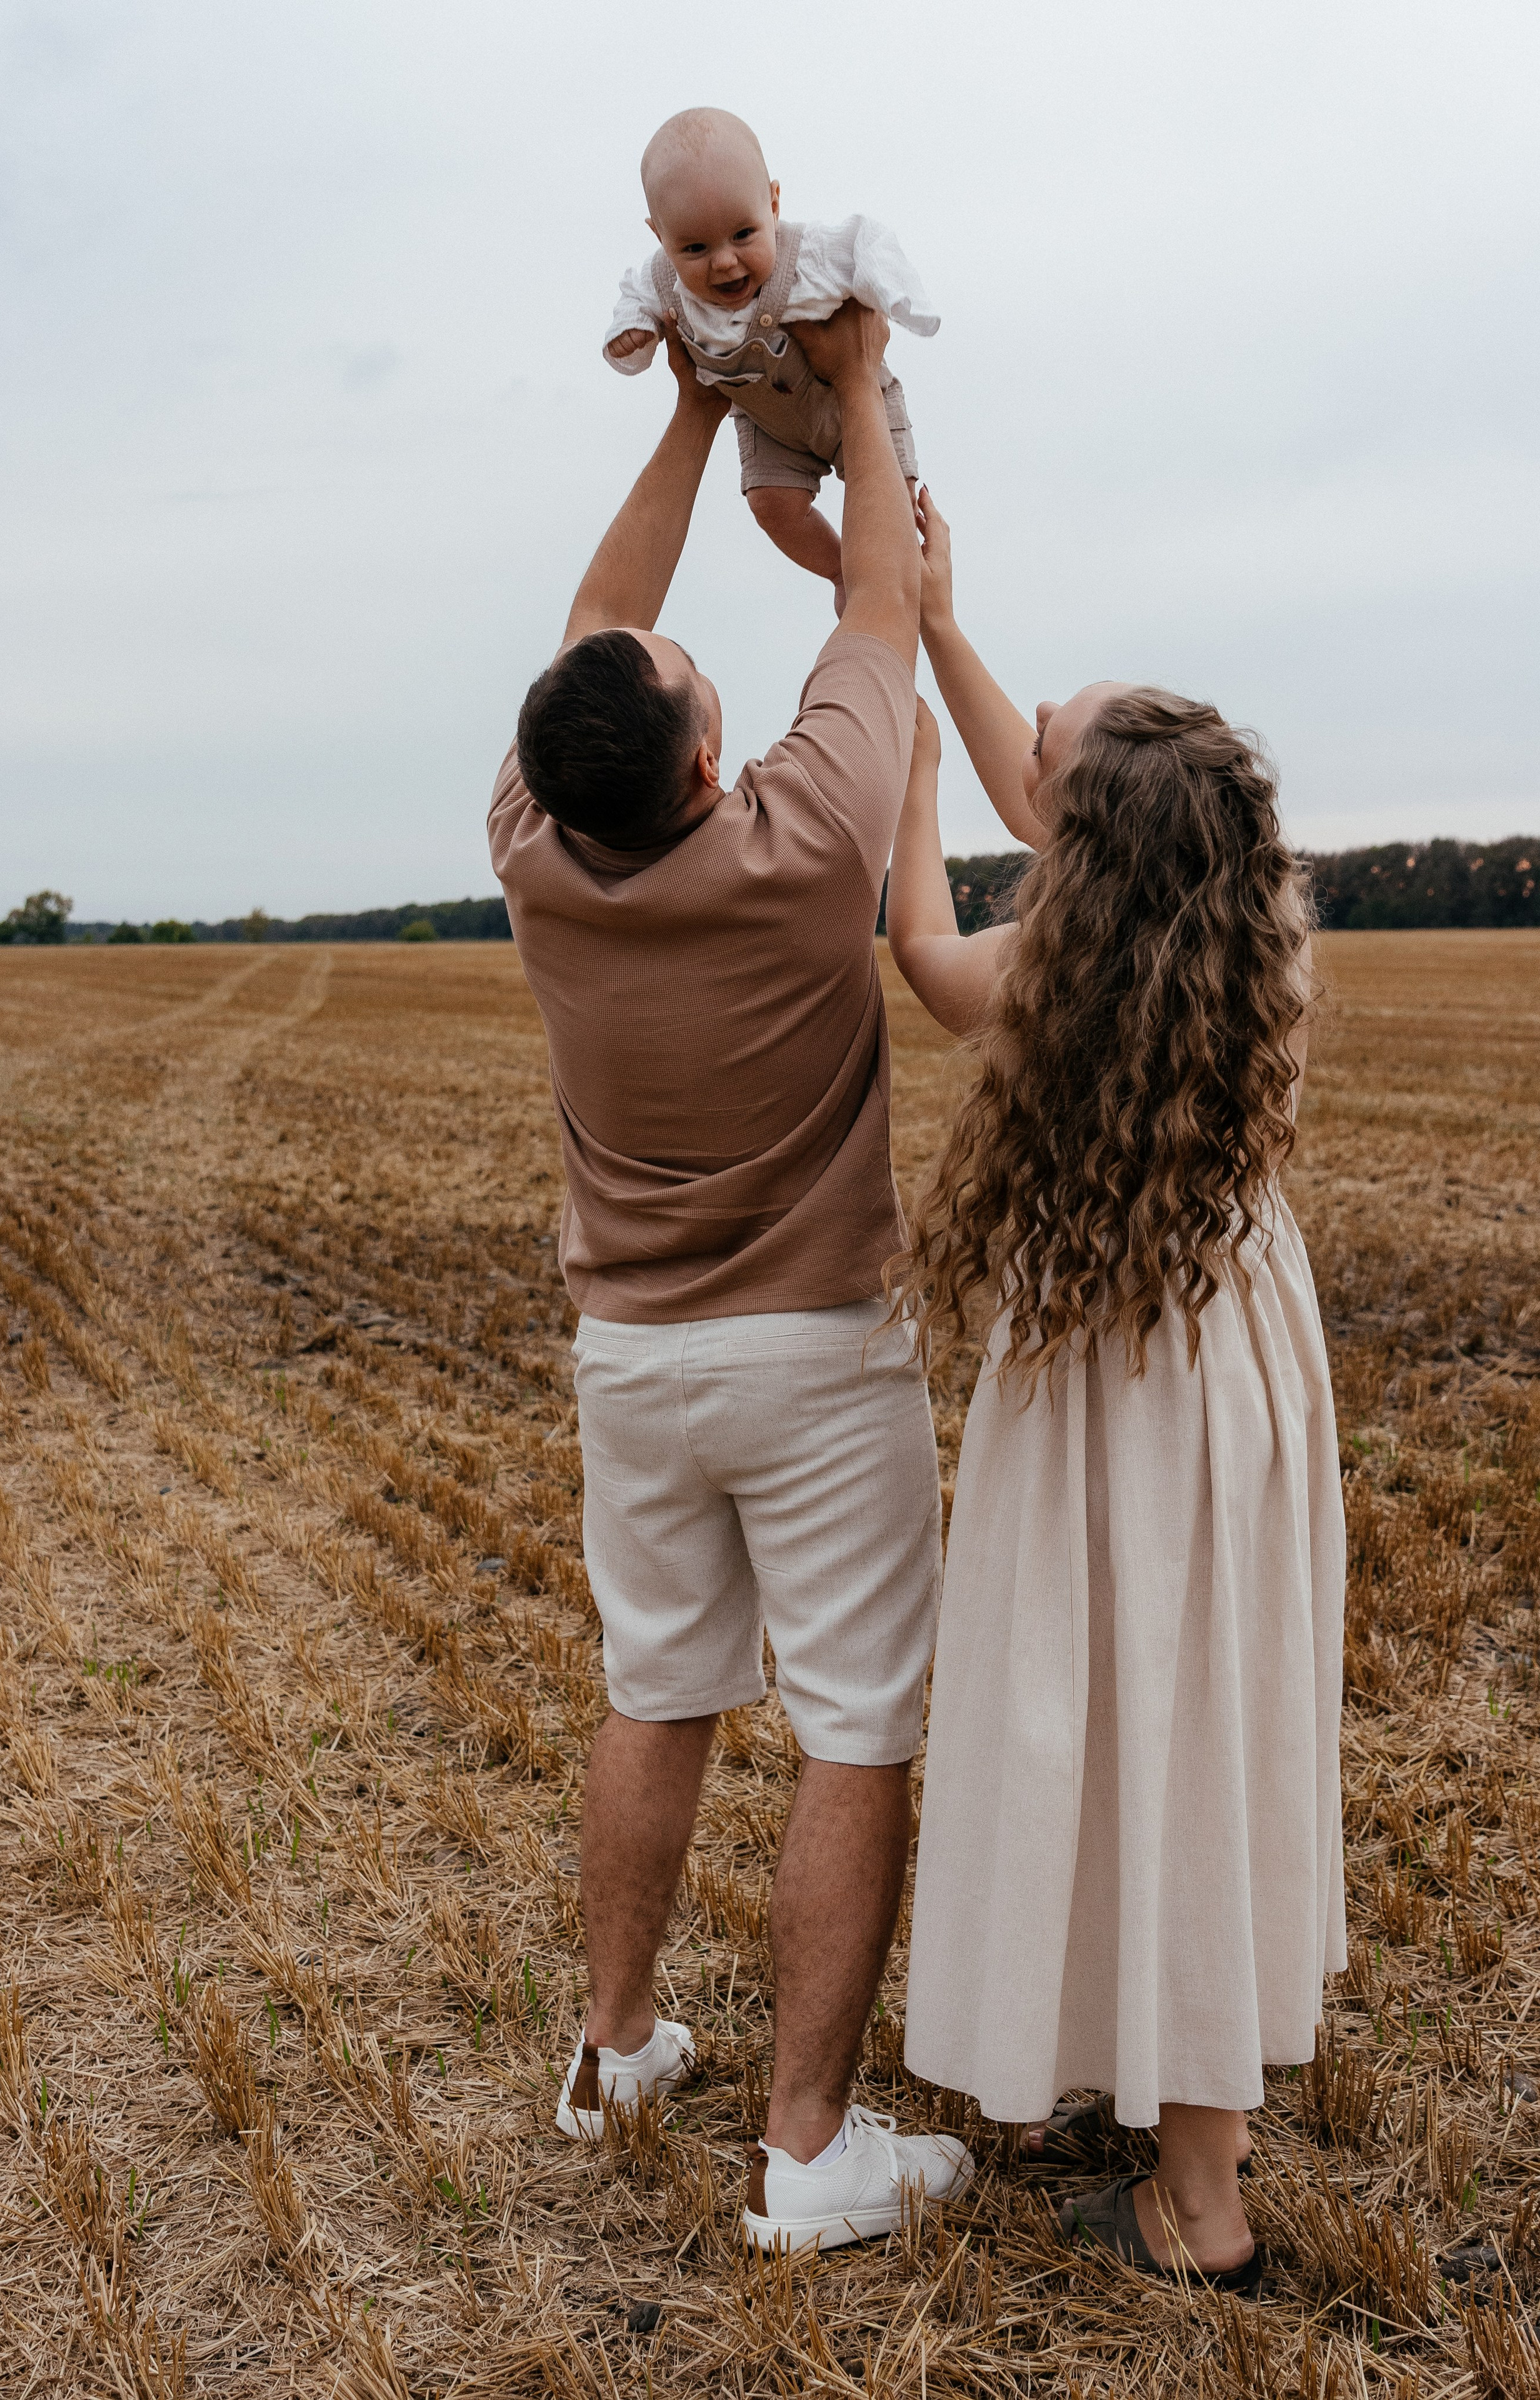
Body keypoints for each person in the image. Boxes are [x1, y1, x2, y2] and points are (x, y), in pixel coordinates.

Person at [488, 306, 972, 2254]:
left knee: (654, 1691)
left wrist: (694, 407)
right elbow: (873, 595)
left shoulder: (533, 849)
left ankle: (612, 2053)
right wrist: (849, 388)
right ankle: (805, 2144)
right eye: (700, 679)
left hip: (632, 1360)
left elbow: (589, 639)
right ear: (709, 751)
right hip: (819, 1353)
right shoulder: (807, 835)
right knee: (852, 1724)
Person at [883, 494, 1346, 2298]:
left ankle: (1202, 2207)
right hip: (1231, 1354)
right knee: (1196, 1712)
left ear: (1086, 856)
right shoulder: (1240, 926)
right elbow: (1063, 791)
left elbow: (935, 970)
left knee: (1122, 1723)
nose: (1025, 779)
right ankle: (1158, 2078)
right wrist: (938, 620)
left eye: (1046, 763)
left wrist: (907, 787)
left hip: (1117, 1381)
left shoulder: (1054, 977)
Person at [604, 107, 936, 612]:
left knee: (891, 503)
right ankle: (841, 569)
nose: (724, 260)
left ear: (774, 204)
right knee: (771, 506)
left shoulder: (809, 256)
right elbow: (636, 299)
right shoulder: (661, 281)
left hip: (853, 407)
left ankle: (891, 581)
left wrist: (899, 298)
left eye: (743, 235)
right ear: (660, 237)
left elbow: (865, 244)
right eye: (694, 247)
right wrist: (631, 336)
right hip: (769, 425)